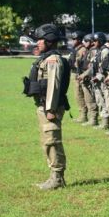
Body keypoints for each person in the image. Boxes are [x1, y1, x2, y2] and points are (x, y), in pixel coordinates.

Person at [23, 24, 70, 190]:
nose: (38, 42)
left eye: (41, 39)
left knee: (52, 141)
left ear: (50, 40)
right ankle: (53, 176)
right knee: (47, 141)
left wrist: (51, 109)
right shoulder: (46, 58)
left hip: (50, 107)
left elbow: (54, 87)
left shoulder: (53, 60)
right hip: (44, 106)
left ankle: (57, 178)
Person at [68, 31, 88, 123]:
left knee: (79, 94)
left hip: (78, 74)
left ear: (79, 39)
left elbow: (81, 63)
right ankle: (82, 114)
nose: (72, 41)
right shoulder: (75, 49)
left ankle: (83, 115)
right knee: (77, 95)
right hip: (73, 73)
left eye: (74, 39)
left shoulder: (82, 50)